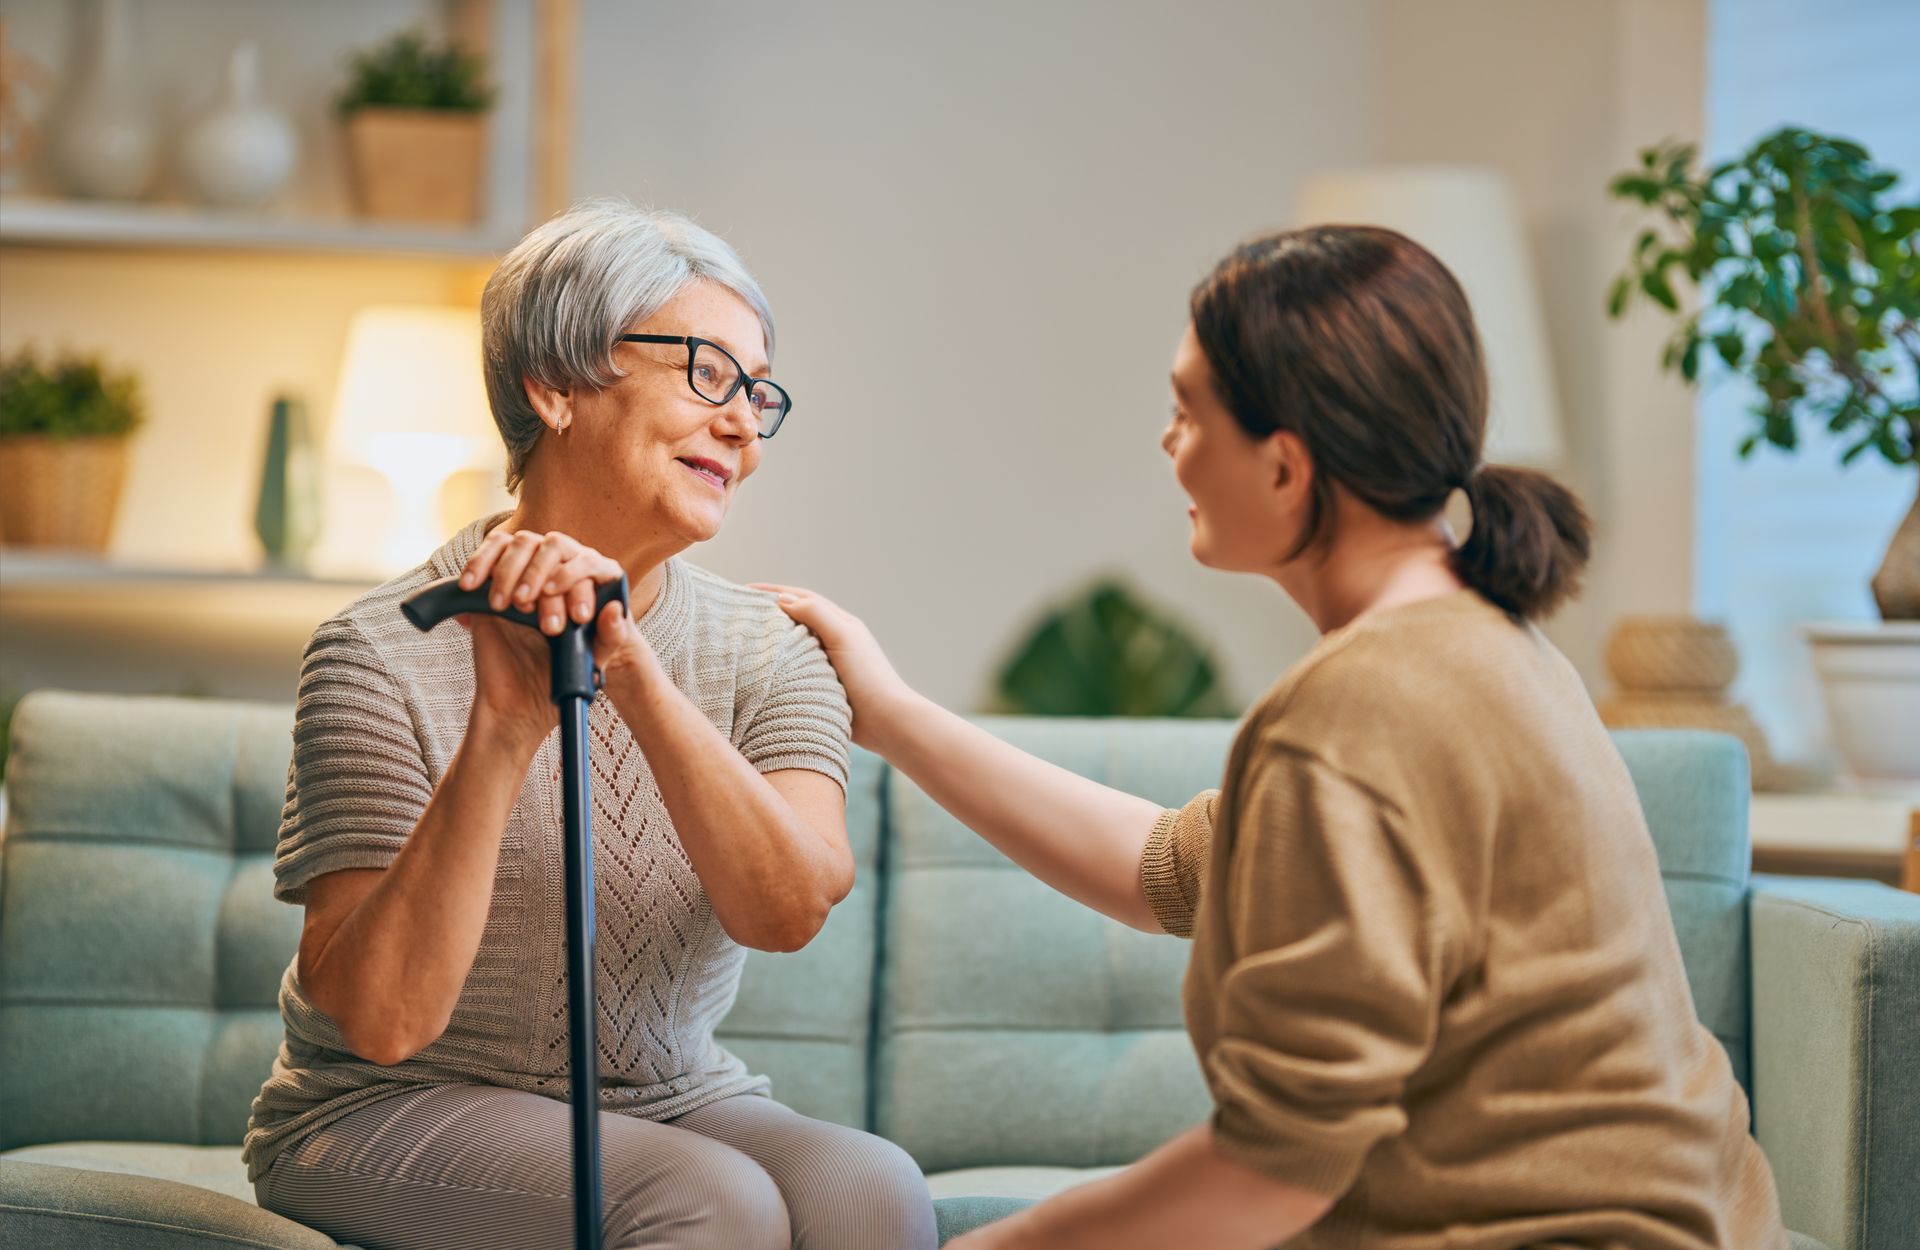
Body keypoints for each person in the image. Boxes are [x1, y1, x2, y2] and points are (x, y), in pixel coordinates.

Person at [758, 225, 1789, 1249]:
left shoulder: (1359, 708)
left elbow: (1272, 1168)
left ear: (1287, 466)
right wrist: (889, 712)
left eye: (1185, 411)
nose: (1169, 443)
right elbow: (1164, 864)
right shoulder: (1487, 646)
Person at [242, 199, 937, 1250]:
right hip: (385, 1107)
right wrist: (504, 724)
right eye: (707, 372)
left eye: (758, 392)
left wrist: (634, 671)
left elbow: (788, 905)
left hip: (669, 1094)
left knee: (873, 1188)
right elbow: (382, 1021)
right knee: (710, 1199)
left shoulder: (769, 647)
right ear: (555, 384)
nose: (744, 423)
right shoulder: (376, 649)